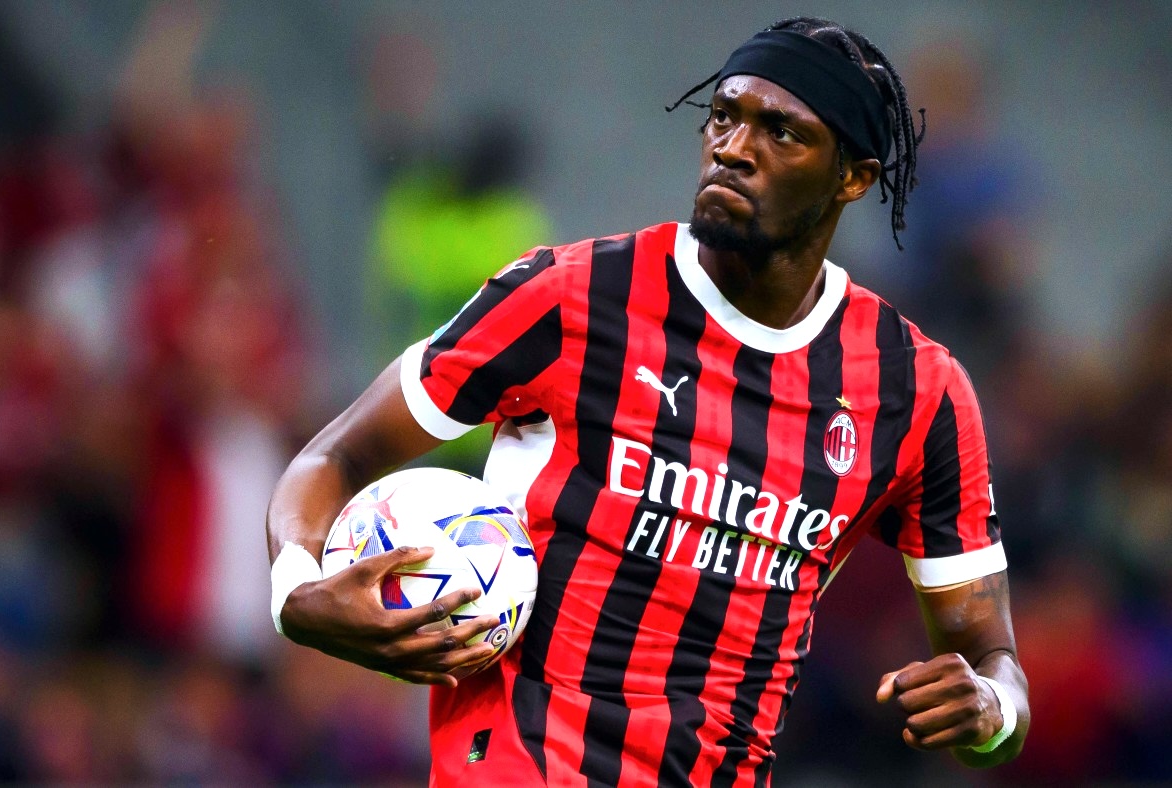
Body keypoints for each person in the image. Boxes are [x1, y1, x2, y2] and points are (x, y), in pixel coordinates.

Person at [267, 16, 1029, 786]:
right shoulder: (570, 297)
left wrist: (992, 710)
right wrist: (296, 591)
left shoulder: (916, 391)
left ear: (853, 178)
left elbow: (989, 655)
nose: (734, 147)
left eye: (782, 133)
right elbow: (337, 456)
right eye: (724, 116)